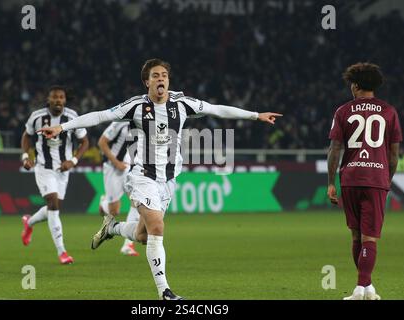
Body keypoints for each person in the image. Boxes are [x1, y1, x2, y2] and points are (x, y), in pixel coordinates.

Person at [39, 58, 282, 299]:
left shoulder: (182, 104)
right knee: (157, 227)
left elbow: (216, 109)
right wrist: (63, 128)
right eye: (155, 76)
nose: (160, 79)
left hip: (169, 180)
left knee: (144, 236)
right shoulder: (136, 106)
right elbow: (101, 116)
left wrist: (255, 115)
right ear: (147, 82)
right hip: (143, 176)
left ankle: (112, 227)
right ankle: (164, 291)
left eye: (164, 75)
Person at [327, 63, 402, 300]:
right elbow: (393, 155)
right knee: (370, 238)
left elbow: (334, 149)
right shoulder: (389, 112)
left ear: (356, 85)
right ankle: (361, 288)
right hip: (376, 179)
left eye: (351, 83)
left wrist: (331, 182)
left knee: (357, 236)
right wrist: (386, 180)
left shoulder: (343, 111)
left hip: (350, 179)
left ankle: (366, 288)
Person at [20, 86, 89, 264]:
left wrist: (73, 161)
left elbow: (84, 142)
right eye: (55, 97)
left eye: (61, 97)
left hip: (63, 169)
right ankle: (62, 252)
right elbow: (26, 136)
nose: (58, 100)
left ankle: (29, 222)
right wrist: (26, 156)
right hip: (44, 167)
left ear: (65, 100)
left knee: (54, 207)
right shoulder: (36, 116)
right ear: (48, 99)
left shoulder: (72, 117)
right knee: (52, 202)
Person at [96, 121, 140, 256]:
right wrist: (116, 162)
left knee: (137, 202)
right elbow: (102, 142)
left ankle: (127, 245)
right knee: (114, 211)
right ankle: (104, 204)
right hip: (113, 167)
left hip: (130, 168)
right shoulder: (120, 123)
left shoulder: (145, 124)